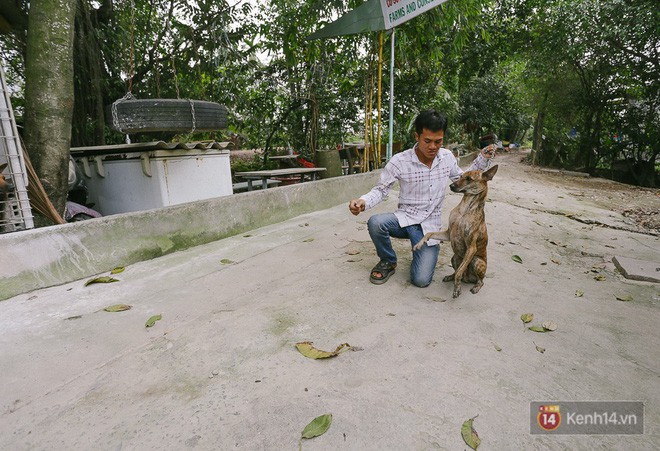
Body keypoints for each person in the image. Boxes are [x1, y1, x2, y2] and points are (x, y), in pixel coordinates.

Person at [348, 110, 496, 287]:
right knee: (376, 223)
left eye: (438, 141)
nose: (433, 146)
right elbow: (381, 190)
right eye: (427, 141)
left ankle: (424, 253)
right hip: (405, 219)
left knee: (420, 280)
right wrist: (363, 201)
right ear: (416, 136)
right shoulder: (399, 161)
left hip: (429, 227)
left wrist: (482, 159)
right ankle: (388, 260)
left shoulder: (447, 158)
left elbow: (463, 179)